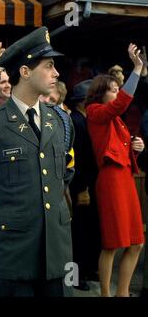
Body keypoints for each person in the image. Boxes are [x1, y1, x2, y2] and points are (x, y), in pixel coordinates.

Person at [0, 26, 74, 297]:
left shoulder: (59, 120)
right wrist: (4, 210)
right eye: (49, 65)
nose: (56, 73)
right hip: (11, 256)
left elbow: (65, 171)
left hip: (57, 254)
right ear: (25, 71)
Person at [85, 43, 145, 297]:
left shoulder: (114, 118)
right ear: (100, 93)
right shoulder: (95, 111)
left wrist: (137, 147)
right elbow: (120, 104)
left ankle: (122, 293)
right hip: (111, 179)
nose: (117, 93)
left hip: (125, 177)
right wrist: (137, 68)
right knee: (112, 243)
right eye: (112, 90)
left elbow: (119, 144)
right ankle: (106, 295)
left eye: (117, 89)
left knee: (137, 243)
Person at [67, 79, 101, 291]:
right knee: (76, 234)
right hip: (81, 186)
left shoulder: (86, 120)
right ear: (82, 102)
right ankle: (74, 277)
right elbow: (77, 160)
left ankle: (87, 269)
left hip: (89, 184)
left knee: (88, 231)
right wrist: (81, 189)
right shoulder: (77, 122)